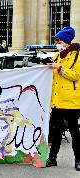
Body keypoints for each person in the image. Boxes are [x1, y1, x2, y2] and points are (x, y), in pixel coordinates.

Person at [46, 26, 80, 171]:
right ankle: (52, 158)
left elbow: (76, 75)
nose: (57, 43)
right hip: (57, 101)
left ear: (66, 41)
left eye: (59, 41)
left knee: (75, 132)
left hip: (72, 102)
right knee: (56, 131)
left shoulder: (78, 55)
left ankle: (78, 160)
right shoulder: (56, 56)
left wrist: (59, 68)